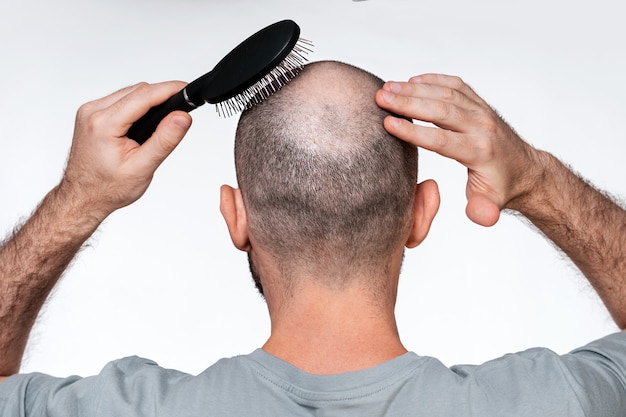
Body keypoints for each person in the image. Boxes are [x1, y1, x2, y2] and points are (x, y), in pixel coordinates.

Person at [0, 60, 625, 416]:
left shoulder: (122, 412)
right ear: (422, 213)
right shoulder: (551, 403)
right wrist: (538, 180)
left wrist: (77, 198)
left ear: (235, 218)